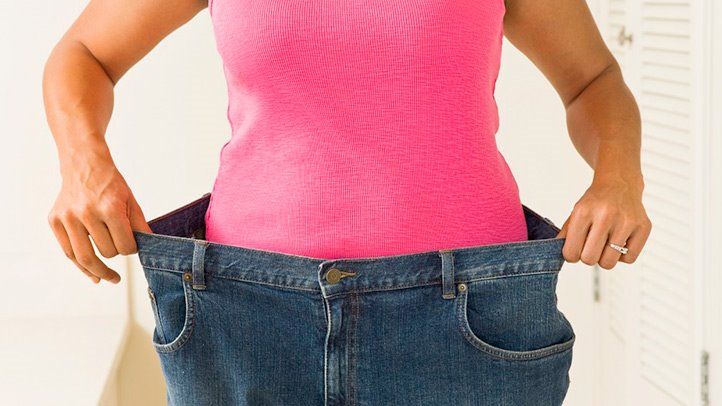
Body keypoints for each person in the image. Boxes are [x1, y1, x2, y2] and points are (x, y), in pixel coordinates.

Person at [43, 0, 652, 404]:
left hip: (472, 319)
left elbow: (592, 80)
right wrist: (83, 164)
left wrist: (619, 177)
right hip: (244, 321)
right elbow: (84, 54)